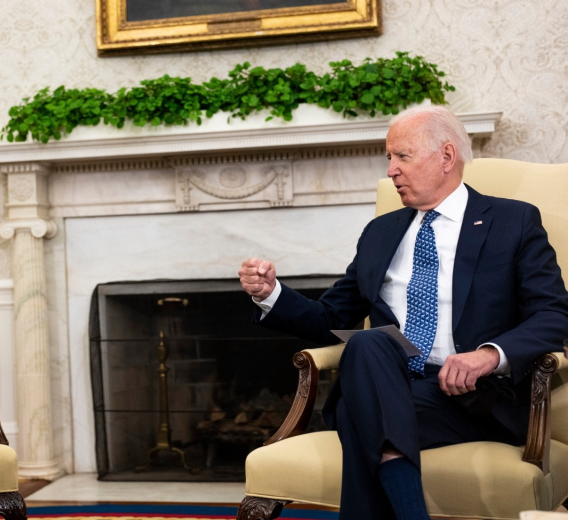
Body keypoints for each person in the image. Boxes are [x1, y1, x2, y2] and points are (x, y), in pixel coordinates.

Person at [238, 105, 568, 520]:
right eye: (389, 157)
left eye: (402, 156)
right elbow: (330, 318)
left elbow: (553, 314)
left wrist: (488, 356)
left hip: (470, 397)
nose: (391, 170)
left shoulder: (511, 221)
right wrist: (271, 294)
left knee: (362, 416)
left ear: (446, 156)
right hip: (385, 379)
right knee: (370, 344)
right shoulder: (381, 232)